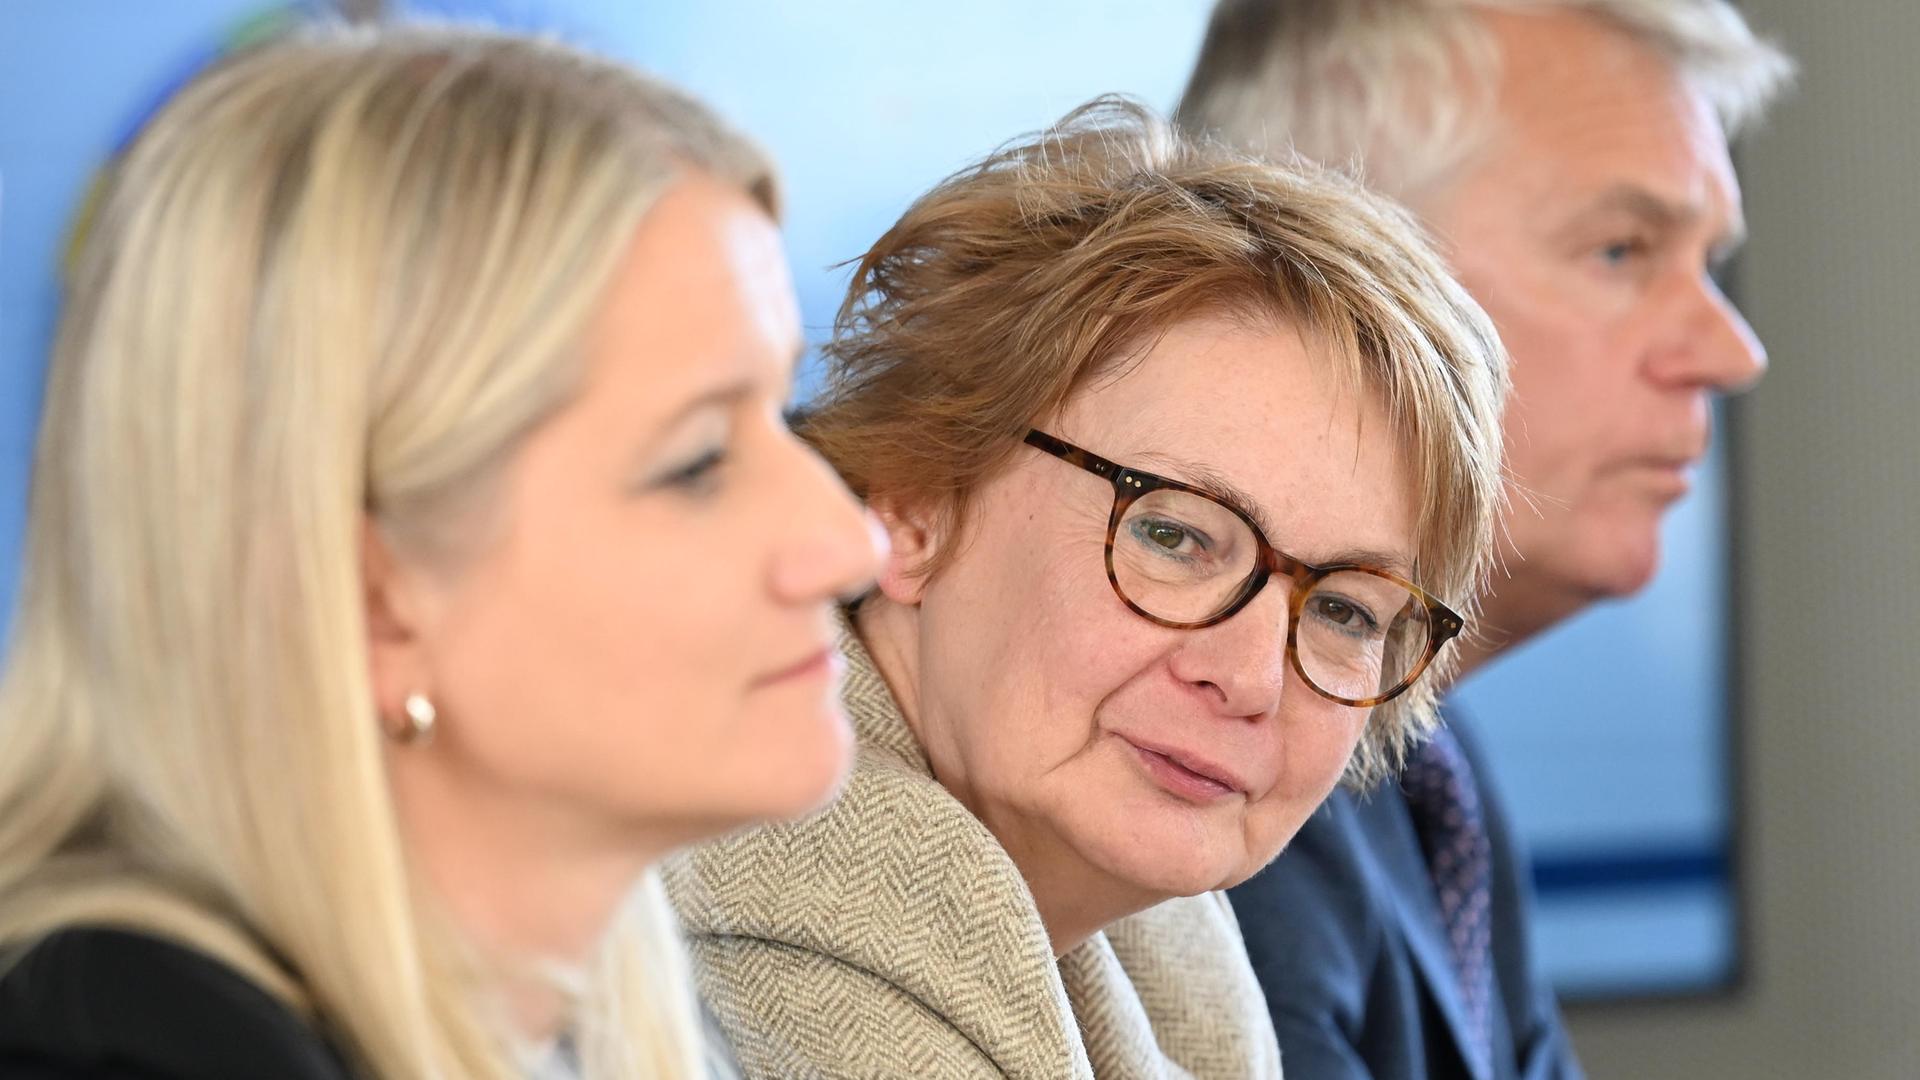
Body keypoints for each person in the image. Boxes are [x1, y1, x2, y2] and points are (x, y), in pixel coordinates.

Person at [0, 24, 879, 1080]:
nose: (848, 542)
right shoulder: (113, 1054)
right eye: (695, 463)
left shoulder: (600, 1030)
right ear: (370, 600)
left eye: (778, 415)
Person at [660, 97, 1510, 1079]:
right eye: (1176, 536)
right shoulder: (783, 918)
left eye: (1342, 608)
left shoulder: (1166, 936)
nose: (1250, 678)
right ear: (913, 507)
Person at [1175, 2, 1794, 1077]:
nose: (1730, 350)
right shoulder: (1197, 790)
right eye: (1622, 249)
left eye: (1705, 262)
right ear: (1331, 266)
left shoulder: (1429, 767)